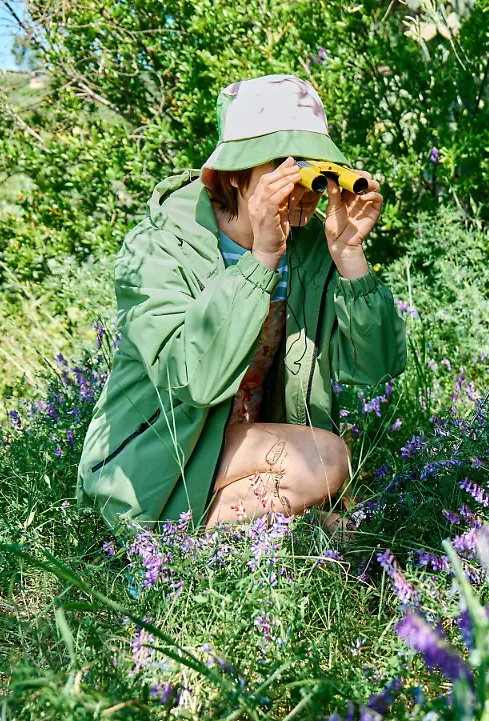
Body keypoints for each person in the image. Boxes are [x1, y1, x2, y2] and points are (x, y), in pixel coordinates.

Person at [76, 75, 406, 531]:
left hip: (238, 448)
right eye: (285, 169)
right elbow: (196, 382)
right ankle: (162, 536)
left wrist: (350, 256)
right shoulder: (157, 247)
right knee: (327, 462)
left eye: (316, 171)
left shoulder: (310, 247)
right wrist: (262, 260)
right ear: (234, 174)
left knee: (336, 486)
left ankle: (218, 539)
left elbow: (378, 371)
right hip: (153, 466)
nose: (304, 192)